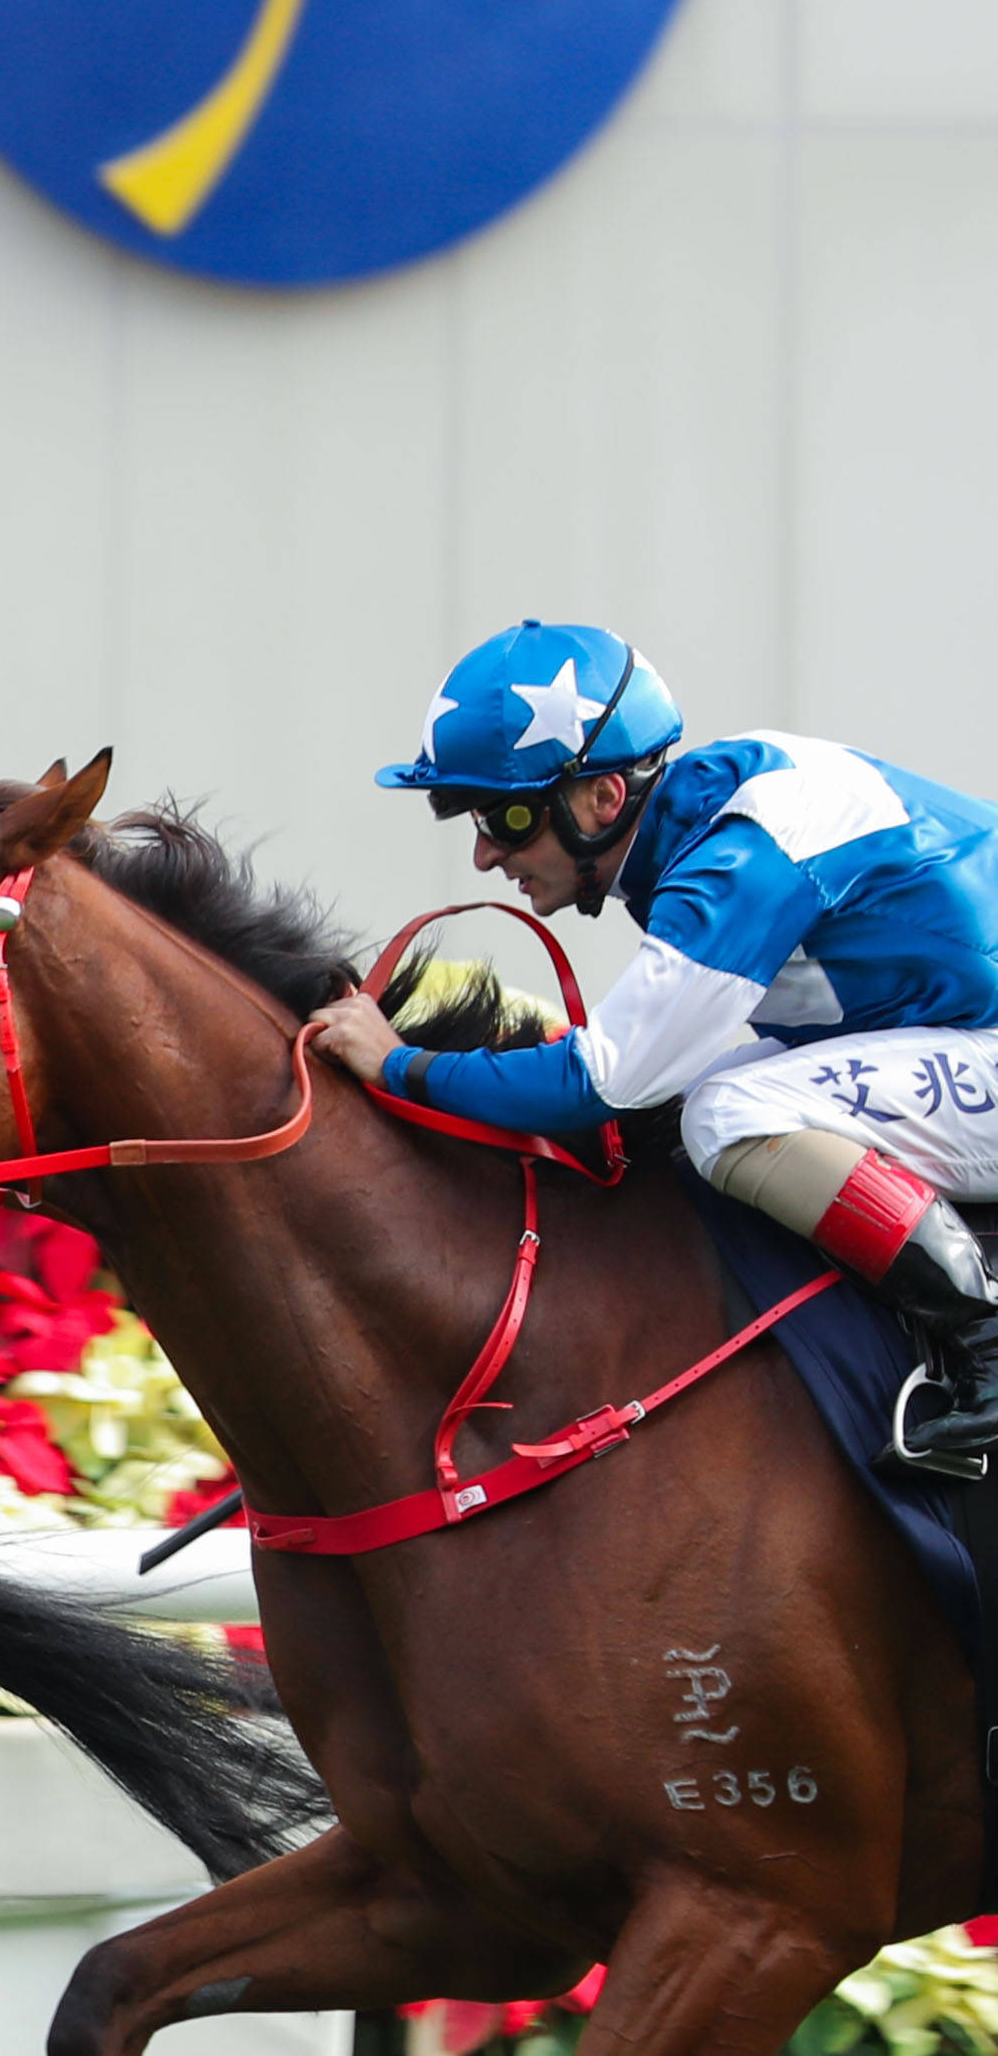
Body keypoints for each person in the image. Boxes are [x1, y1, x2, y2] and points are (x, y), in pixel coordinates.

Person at [300, 619, 998, 1472]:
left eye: (509, 816)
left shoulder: (740, 856)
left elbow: (600, 1081)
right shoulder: (691, 824)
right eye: (476, 819)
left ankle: (986, 1340)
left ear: (602, 799)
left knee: (727, 1112)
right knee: (701, 1098)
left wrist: (399, 1064)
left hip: (972, 1038)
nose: (486, 854)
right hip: (952, 1029)